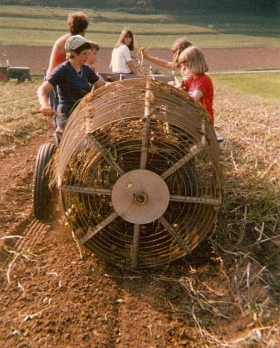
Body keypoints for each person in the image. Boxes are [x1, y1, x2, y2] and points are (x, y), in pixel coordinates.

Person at [38, 35, 106, 134]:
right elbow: (42, 90)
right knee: (72, 137)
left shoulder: (85, 70)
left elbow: (101, 84)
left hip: (82, 112)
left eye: (88, 53)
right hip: (66, 114)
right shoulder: (62, 70)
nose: (87, 57)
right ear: (73, 53)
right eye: (84, 54)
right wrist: (45, 104)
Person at [46, 11, 89, 79]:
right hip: (57, 82)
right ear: (84, 29)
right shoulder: (73, 42)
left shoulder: (64, 39)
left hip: (53, 79)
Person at [178, 46, 214, 123]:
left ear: (194, 64)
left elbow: (194, 98)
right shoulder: (191, 79)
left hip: (204, 119)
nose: (183, 68)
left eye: (186, 65)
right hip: (195, 117)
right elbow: (180, 88)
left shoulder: (203, 80)